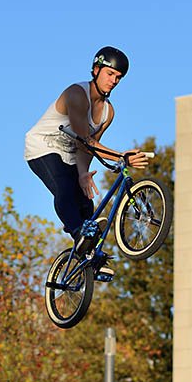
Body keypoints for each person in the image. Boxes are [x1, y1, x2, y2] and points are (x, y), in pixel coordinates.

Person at [24, 47, 149, 278]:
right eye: (110, 74)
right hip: (43, 146)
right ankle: (76, 230)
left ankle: (88, 256)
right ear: (96, 70)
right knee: (64, 187)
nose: (114, 81)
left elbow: (85, 148)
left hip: (71, 151)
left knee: (86, 205)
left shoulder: (107, 113)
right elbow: (85, 137)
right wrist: (122, 157)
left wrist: (83, 173)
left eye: (118, 78)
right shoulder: (76, 94)